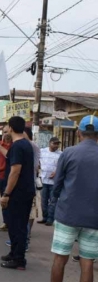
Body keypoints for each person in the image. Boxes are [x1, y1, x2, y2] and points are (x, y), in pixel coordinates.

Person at [50, 115, 98, 282]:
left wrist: (54, 201)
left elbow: (57, 185)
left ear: (79, 133)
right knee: (87, 262)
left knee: (60, 259)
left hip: (67, 214)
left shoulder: (69, 153)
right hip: (94, 217)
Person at [0, 116, 35, 270]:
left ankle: (19, 259)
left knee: (18, 226)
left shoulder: (18, 146)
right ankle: (14, 253)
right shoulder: (25, 144)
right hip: (25, 191)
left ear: (11, 128)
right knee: (14, 225)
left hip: (18, 193)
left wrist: (6, 194)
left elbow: (15, 171)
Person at [38, 137, 62, 226]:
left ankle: (50, 219)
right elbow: (37, 160)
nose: (56, 146)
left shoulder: (60, 154)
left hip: (54, 182)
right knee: (43, 200)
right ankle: (44, 217)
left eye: (57, 144)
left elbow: (61, 166)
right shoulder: (42, 151)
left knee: (53, 201)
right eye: (54, 144)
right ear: (50, 143)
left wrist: (56, 172)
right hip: (43, 180)